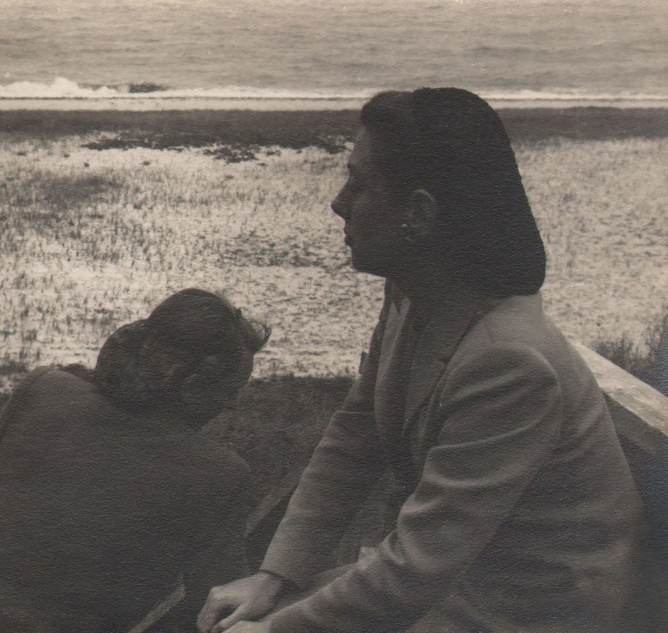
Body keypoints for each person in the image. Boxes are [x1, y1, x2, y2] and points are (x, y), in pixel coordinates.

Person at [197, 88, 656, 632]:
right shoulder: (415, 294)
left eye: (359, 183)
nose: (338, 202)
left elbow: (420, 563)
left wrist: (276, 628)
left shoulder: (510, 363)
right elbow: (354, 439)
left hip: (535, 610)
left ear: (419, 213)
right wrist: (275, 577)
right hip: (460, 585)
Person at [0, 288, 270, 633]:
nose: (229, 407)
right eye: (229, 394)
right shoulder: (220, 474)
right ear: (191, 387)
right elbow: (216, 609)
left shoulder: (43, 388)